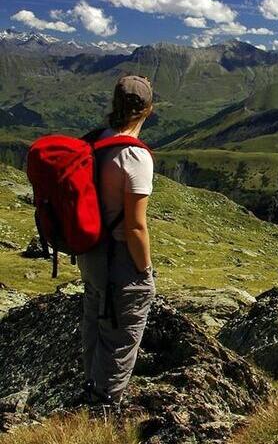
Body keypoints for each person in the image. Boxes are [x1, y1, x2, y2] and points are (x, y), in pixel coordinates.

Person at [78, 75, 155, 409]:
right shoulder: (134, 158)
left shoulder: (95, 142)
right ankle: (103, 412)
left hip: (91, 252)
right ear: (148, 110)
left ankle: (90, 393)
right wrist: (146, 271)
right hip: (120, 259)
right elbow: (136, 227)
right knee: (122, 336)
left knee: (95, 323)